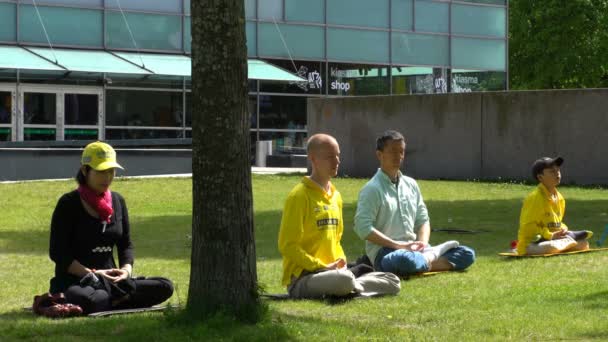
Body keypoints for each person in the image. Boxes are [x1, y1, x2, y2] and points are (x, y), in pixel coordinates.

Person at [47, 141, 174, 314]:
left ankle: (116, 298)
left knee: (165, 286)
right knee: (94, 299)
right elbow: (58, 252)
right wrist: (94, 274)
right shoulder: (68, 204)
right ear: (85, 171)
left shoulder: (118, 201)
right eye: (100, 172)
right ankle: (119, 299)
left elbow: (126, 244)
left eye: (111, 171)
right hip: (78, 282)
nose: (107, 177)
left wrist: (125, 271)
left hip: (113, 282)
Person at [278, 133, 400, 299]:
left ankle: (351, 286)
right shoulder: (299, 196)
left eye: (338, 156)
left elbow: (336, 240)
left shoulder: (336, 196)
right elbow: (288, 246)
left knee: (393, 280)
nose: (337, 162)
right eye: (330, 157)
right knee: (344, 280)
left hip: (335, 273)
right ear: (313, 159)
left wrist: (340, 263)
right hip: (304, 277)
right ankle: (350, 285)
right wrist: (321, 266)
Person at [354, 130, 475, 276]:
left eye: (401, 151)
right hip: (386, 252)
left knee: (467, 254)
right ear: (379, 155)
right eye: (393, 151)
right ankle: (428, 259)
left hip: (415, 249)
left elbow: (423, 219)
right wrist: (399, 245)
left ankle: (422, 260)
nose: (398, 156)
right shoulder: (372, 189)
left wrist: (422, 243)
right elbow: (363, 228)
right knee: (402, 260)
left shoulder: (411, 184)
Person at [516, 157, 592, 255]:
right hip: (531, 244)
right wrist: (549, 235)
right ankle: (569, 240)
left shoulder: (560, 198)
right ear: (540, 177)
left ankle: (567, 239)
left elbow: (556, 223)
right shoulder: (535, 198)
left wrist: (563, 229)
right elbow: (528, 227)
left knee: (583, 244)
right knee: (552, 247)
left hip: (553, 240)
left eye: (558, 170)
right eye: (552, 171)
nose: (557, 173)